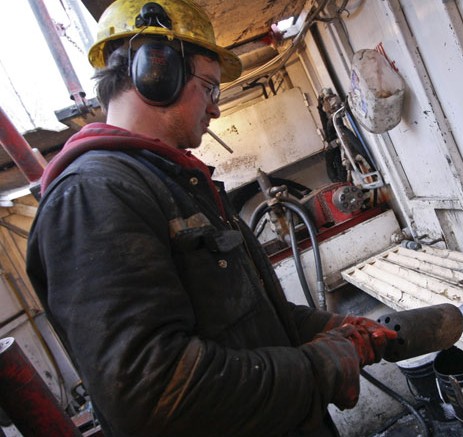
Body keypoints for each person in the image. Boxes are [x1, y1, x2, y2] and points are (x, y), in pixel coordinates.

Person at [25, 1, 397, 435]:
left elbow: (251, 319)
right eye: (210, 87)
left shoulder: (176, 185)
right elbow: (154, 391)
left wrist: (328, 327)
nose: (216, 109)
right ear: (157, 71)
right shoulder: (94, 195)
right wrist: (319, 366)